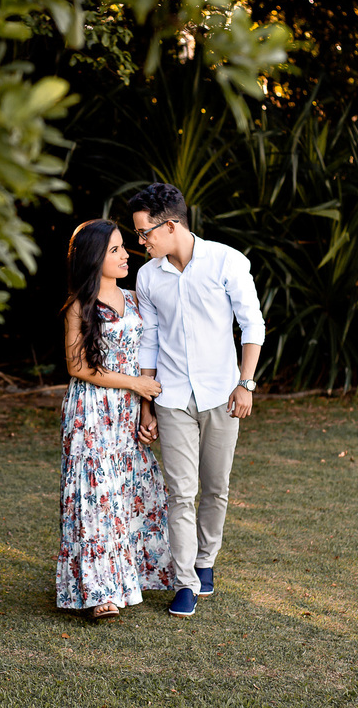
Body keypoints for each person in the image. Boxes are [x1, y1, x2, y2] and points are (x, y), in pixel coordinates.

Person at [128, 183, 265, 618]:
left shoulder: (227, 261)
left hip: (222, 394)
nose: (141, 242)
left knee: (216, 487)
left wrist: (246, 384)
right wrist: (146, 401)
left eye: (144, 233)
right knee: (179, 492)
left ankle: (206, 561)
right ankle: (185, 581)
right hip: (171, 397)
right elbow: (148, 339)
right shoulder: (148, 276)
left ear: (171, 225)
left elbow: (253, 326)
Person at [56, 218, 175, 621]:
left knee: (128, 494)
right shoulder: (80, 306)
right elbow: (78, 366)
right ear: (94, 258)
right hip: (92, 410)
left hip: (127, 410)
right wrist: (136, 387)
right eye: (115, 250)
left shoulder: (134, 299)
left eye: (124, 247)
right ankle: (98, 592)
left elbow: (146, 358)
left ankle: (129, 577)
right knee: (95, 497)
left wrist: (146, 409)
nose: (126, 255)